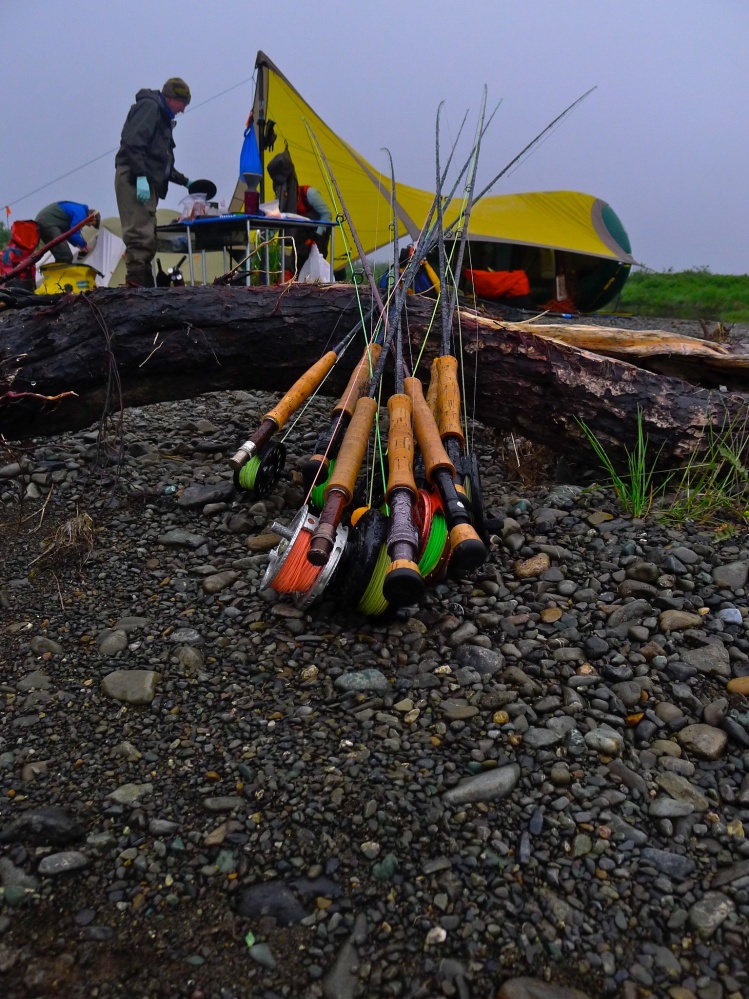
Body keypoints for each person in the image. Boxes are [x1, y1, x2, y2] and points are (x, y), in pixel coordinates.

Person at [114, 77, 192, 287]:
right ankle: (137, 290)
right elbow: (133, 143)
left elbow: (159, 161)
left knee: (146, 235)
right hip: (133, 177)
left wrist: (185, 182)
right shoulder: (150, 107)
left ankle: (144, 289)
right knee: (139, 234)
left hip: (145, 179)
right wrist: (139, 176)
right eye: (183, 104)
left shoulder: (161, 115)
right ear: (172, 98)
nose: (182, 110)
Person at [266, 149, 332, 274]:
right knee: (295, 265)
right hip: (300, 237)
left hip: (316, 235)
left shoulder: (309, 193)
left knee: (314, 270)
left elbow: (327, 214)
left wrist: (316, 237)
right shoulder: (283, 200)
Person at [34, 202, 100, 263]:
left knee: (43, 253)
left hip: (44, 221)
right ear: (90, 215)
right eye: (92, 223)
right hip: (48, 222)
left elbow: (69, 234)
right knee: (65, 256)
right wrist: (84, 245)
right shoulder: (81, 213)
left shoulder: (77, 210)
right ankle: (59, 274)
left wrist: (79, 245)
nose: (89, 226)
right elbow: (74, 233)